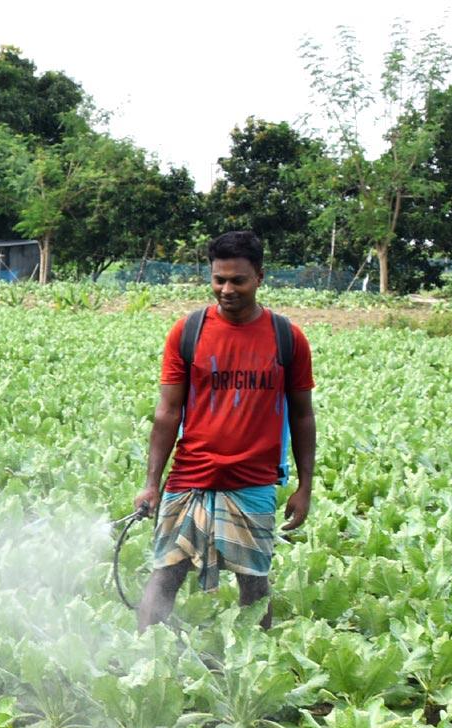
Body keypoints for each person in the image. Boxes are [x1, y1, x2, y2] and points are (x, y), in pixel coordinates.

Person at [133, 230, 316, 630]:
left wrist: (305, 486)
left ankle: (254, 673)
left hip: (253, 481)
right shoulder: (189, 332)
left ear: (260, 277)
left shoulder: (288, 338)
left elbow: (303, 415)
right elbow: (167, 411)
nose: (227, 289)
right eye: (219, 279)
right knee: (167, 572)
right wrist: (151, 482)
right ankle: (144, 657)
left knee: (253, 581)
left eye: (238, 280)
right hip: (190, 475)